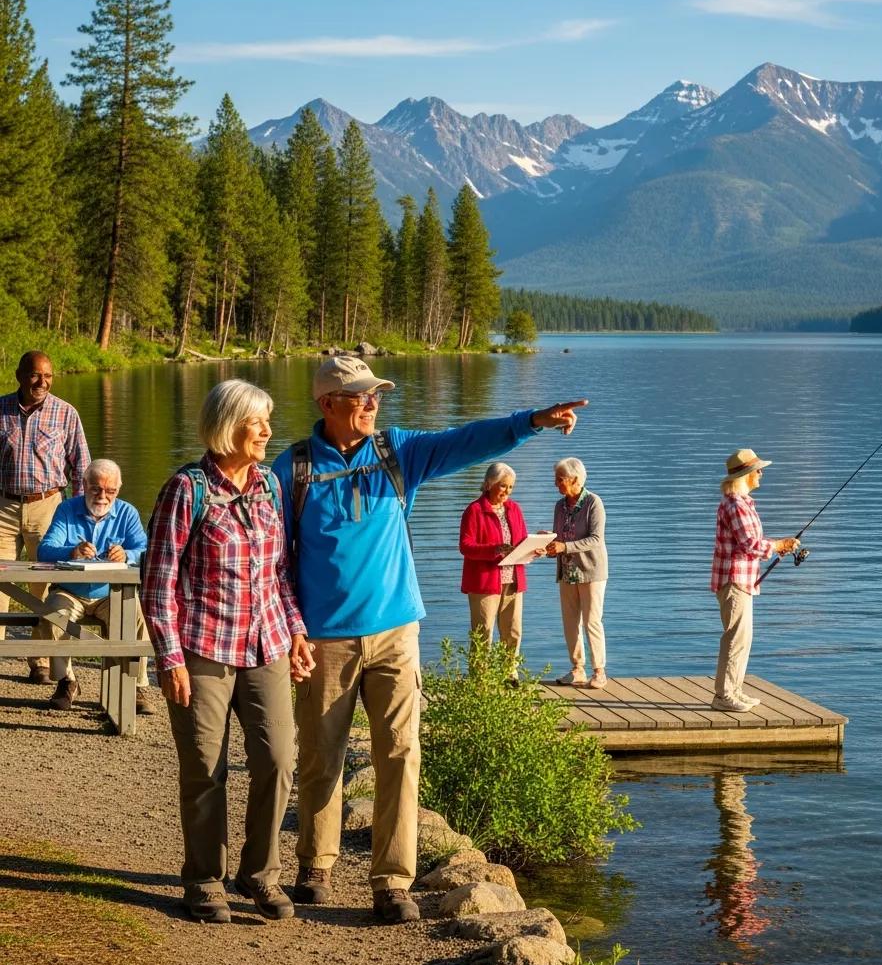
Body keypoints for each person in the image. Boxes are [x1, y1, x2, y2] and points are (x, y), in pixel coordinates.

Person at [271, 354, 585, 924]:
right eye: (362, 396)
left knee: (401, 754)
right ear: (328, 403)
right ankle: (315, 865)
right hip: (323, 641)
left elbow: (465, 441)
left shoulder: (397, 452)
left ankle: (393, 881)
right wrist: (290, 630)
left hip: (396, 633)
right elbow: (274, 562)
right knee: (319, 755)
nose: (373, 403)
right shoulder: (292, 469)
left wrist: (531, 422)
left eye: (376, 395)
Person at [142, 379, 315, 926]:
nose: (267, 431)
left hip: (266, 645)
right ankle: (203, 879)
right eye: (256, 422)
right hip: (203, 650)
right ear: (227, 426)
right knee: (204, 769)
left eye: (267, 420)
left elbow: (279, 573)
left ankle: (259, 873)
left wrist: (296, 631)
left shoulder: (269, 486)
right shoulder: (186, 489)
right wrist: (170, 658)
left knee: (279, 760)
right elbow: (158, 580)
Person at [37, 458, 156, 714]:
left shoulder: (127, 512)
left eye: (110, 491)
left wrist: (127, 555)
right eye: (96, 489)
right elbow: (44, 550)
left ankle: (134, 685)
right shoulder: (67, 509)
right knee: (52, 614)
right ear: (83, 485)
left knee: (137, 615)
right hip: (70, 591)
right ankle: (66, 681)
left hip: (112, 592)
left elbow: (146, 551)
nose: (103, 496)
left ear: (118, 489)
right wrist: (72, 551)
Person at [0, 351, 91, 683]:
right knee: (0, 586)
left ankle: (39, 659)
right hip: (3, 507)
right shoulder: (1, 409)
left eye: (48, 375)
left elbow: (81, 466)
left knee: (45, 587)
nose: (42, 382)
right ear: (19, 375)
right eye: (35, 375)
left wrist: (81, 515)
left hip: (48, 508)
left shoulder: (65, 413)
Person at [710, 449, 799, 713]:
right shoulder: (736, 505)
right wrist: (779, 545)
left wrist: (778, 546)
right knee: (736, 638)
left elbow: (752, 543)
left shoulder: (741, 503)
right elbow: (749, 544)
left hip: (742, 580)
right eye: (757, 470)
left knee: (743, 638)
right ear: (746, 475)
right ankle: (724, 695)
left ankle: (734, 690)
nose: (761, 473)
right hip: (734, 580)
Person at [545, 457, 609, 690]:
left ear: (575, 479)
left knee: (592, 621)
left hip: (591, 571)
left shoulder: (594, 503)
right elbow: (559, 537)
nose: (556, 483)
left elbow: (595, 539)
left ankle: (599, 671)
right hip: (567, 571)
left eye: (560, 479)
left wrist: (564, 546)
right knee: (570, 622)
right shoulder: (559, 506)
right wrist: (547, 544)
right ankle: (577, 668)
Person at [459, 462, 528, 656]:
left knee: (513, 632)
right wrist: (494, 550)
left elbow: (522, 539)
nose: (507, 491)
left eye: (511, 487)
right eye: (503, 485)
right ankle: (480, 674)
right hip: (485, 582)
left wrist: (535, 547)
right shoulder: (474, 510)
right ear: (489, 484)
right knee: (483, 634)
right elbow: (465, 546)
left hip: (513, 580)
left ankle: (510, 671)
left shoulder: (514, 508)